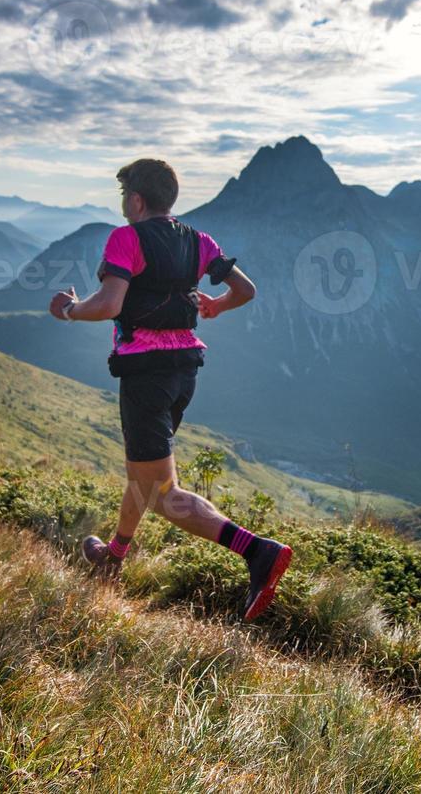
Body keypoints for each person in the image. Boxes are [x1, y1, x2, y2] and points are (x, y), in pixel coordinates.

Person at [49, 158, 292, 621]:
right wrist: (216, 307)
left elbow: (108, 304)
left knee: (162, 493)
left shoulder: (127, 238)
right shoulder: (199, 242)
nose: (122, 206)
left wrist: (68, 310)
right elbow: (246, 290)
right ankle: (113, 559)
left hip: (146, 375)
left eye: (124, 197)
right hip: (184, 373)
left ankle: (257, 552)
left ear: (137, 200)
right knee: (145, 475)